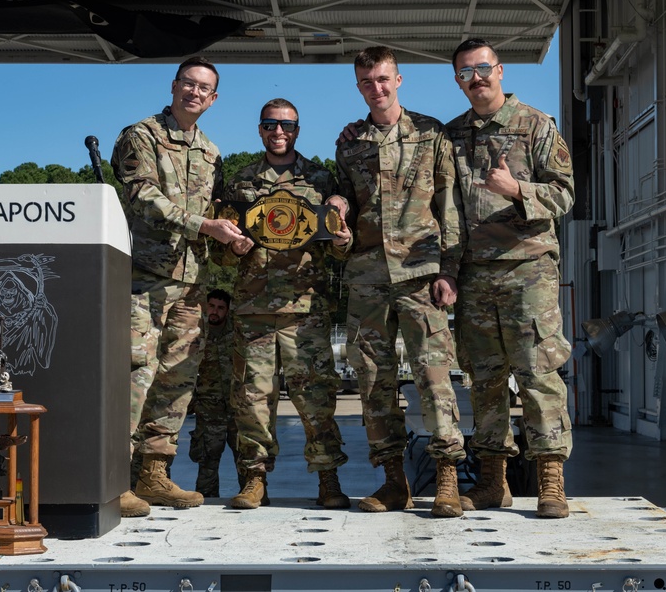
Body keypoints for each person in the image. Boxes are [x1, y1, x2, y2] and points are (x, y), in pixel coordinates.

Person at [332, 47, 466, 518]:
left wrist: (450, 270)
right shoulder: (349, 143)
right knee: (372, 383)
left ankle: (447, 478)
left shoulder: (431, 134)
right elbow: (345, 201)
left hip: (421, 275)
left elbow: (450, 207)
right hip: (368, 277)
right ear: (359, 86)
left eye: (384, 79)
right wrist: (340, 222)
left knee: (434, 379)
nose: (377, 88)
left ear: (399, 79)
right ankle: (393, 482)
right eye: (367, 81)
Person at [111, 56, 248, 517]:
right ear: (173, 86)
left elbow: (218, 209)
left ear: (213, 99)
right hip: (144, 280)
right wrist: (204, 225)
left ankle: (154, 473)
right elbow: (142, 195)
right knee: (136, 375)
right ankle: (114, 479)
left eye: (203, 88)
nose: (194, 92)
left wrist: (235, 236)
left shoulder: (210, 152)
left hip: (192, 285)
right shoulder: (141, 136)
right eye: (187, 83)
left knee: (177, 380)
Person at [445, 37, 575, 518]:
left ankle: (550, 481)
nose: (475, 79)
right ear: (458, 81)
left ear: (499, 71)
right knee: (485, 380)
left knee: (539, 374)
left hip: (528, 270)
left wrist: (517, 189)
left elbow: (565, 194)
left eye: (482, 69)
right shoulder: (453, 136)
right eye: (465, 73)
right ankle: (492, 483)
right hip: (475, 275)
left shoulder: (536, 125)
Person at [215, 97, 351, 510]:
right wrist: (234, 248)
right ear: (260, 129)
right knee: (252, 400)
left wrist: (343, 242)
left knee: (317, 400)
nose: (279, 132)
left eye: (287, 125)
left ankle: (328, 478)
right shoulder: (240, 183)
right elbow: (220, 253)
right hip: (253, 310)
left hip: (304, 309)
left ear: (297, 129)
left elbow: (337, 247)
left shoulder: (320, 181)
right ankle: (255, 479)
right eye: (270, 124)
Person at [188, 288, 241, 497]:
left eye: (220, 308)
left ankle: (252, 497)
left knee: (246, 459)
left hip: (237, 408)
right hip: (208, 410)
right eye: (211, 306)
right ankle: (206, 503)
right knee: (207, 462)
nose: (215, 311)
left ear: (227, 311)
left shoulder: (237, 332)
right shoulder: (195, 333)